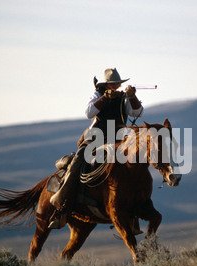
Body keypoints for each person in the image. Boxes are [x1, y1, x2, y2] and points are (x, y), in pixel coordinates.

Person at [48, 68, 144, 234]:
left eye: (118, 84)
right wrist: (105, 99)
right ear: (106, 85)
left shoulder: (124, 97)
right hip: (96, 138)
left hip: (119, 139)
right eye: (114, 84)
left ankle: (133, 214)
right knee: (78, 161)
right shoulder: (97, 95)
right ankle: (61, 204)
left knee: (136, 165)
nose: (117, 86)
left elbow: (137, 112)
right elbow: (89, 113)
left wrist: (132, 96)